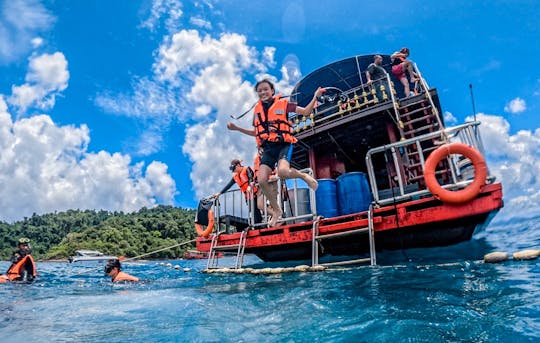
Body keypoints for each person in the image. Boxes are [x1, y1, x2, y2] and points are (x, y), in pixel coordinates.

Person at [227, 79, 324, 227]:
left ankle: (303, 175)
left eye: (265, 89)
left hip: (283, 144)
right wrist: (237, 128)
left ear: (272, 91)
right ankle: (277, 211)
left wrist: (315, 96)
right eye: (259, 91)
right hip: (269, 149)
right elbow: (257, 132)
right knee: (261, 179)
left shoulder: (284, 105)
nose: (262, 92)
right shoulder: (257, 111)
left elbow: (305, 112)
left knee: (283, 171)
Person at [214, 159, 263, 224]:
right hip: (248, 196)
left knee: (256, 210)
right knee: (252, 211)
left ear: (238, 165)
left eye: (234, 169)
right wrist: (219, 193)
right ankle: (257, 224)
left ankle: (259, 223)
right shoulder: (235, 176)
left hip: (255, 193)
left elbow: (251, 177)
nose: (234, 171)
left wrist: (249, 186)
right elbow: (228, 185)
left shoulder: (246, 169)